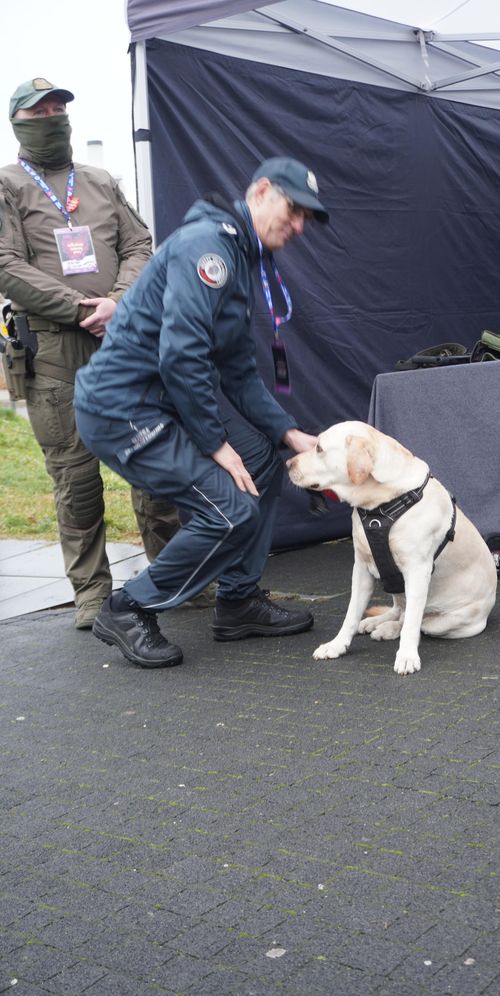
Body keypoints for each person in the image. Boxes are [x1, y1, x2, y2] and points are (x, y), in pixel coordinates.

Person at [74, 157, 329, 669]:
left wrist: (289, 433)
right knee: (228, 510)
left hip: (162, 400)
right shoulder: (207, 248)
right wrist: (216, 445)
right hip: (121, 409)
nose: (298, 225)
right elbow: (180, 355)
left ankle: (237, 603)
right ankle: (128, 607)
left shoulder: (239, 255)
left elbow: (237, 372)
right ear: (260, 191)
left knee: (263, 457)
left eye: (307, 218)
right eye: (293, 209)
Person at [0, 77, 181, 629]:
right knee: (75, 479)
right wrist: (83, 309)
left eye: (59, 108)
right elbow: (6, 265)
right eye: (40, 111)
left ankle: (172, 578)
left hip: (122, 345)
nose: (53, 117)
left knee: (152, 466)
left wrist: (119, 304)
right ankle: (92, 594)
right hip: (55, 353)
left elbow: (140, 244)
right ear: (19, 124)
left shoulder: (100, 180)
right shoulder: (8, 186)